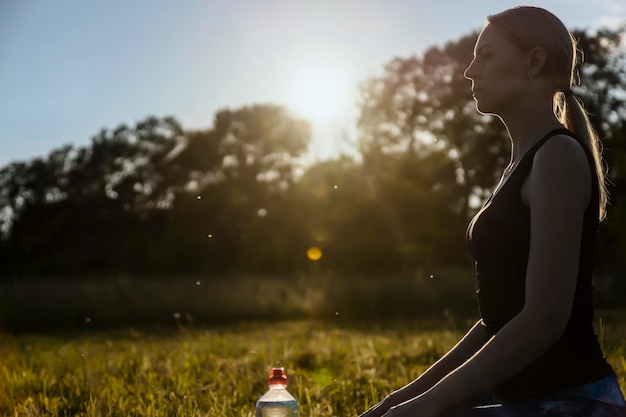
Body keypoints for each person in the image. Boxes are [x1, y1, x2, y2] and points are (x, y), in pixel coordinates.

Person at [358, 6, 626, 417]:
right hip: (519, 398)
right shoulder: (522, 166)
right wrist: (402, 400)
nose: (469, 71)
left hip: (572, 403)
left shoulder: (557, 156)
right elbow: (495, 321)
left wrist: (427, 408)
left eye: (486, 56)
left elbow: (544, 320)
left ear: (533, 62)